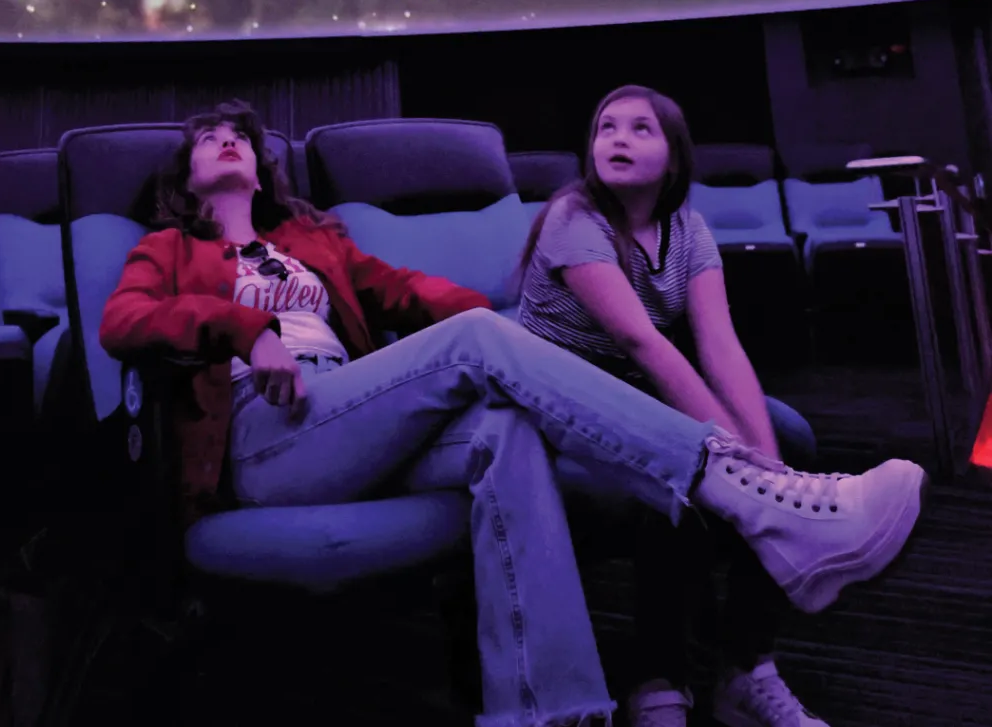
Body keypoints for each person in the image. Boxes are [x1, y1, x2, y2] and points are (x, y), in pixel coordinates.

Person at [100, 101, 927, 727]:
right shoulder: (168, 249)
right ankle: (753, 491)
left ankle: (551, 708)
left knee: (502, 424)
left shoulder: (318, 240)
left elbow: (417, 295)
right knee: (474, 343)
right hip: (269, 438)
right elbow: (124, 322)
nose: (229, 141)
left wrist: (507, 343)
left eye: (241, 134)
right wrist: (247, 328)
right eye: (210, 137)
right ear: (186, 171)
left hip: (355, 412)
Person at [519, 86, 830, 727]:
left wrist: (769, 465)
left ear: (676, 155)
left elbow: (719, 344)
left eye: (641, 129)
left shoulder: (687, 227)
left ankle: (746, 666)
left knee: (791, 438)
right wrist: (727, 447)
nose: (619, 139)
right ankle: (658, 675)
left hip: (634, 388)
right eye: (606, 127)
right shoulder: (572, 218)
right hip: (557, 402)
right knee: (682, 467)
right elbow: (641, 339)